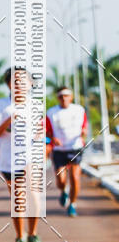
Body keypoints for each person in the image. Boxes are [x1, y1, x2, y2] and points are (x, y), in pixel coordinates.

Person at [0, 67, 47, 242]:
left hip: (31, 157)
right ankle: (21, 238)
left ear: (31, 84)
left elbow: (41, 130)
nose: (19, 85)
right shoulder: (1, 105)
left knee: (33, 196)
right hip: (9, 160)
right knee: (19, 202)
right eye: (15, 81)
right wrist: (10, 118)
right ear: (8, 84)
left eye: (24, 81)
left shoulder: (36, 105)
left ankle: (33, 234)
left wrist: (41, 136)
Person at [46, 86, 87, 217]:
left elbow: (84, 126)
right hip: (59, 150)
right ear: (58, 98)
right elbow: (46, 130)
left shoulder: (79, 110)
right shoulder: (51, 112)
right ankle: (64, 190)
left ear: (71, 97)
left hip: (75, 147)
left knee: (75, 177)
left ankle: (73, 204)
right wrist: (53, 138)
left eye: (66, 95)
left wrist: (84, 132)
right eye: (61, 96)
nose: (64, 98)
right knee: (61, 179)